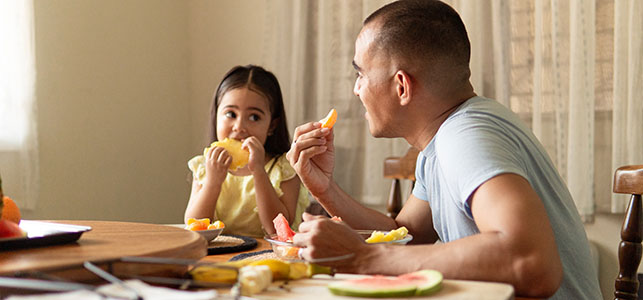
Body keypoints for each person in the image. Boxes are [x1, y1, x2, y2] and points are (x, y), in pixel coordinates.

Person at [286, 1, 602, 299]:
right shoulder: (441, 143)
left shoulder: (466, 136)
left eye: (360, 74)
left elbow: (533, 262)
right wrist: (325, 189)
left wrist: (362, 257)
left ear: (401, 87)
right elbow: (404, 233)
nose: (356, 90)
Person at [185, 65, 309, 238]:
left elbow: (278, 231)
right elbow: (195, 227)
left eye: (254, 117)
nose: (239, 127)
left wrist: (258, 171)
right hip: (220, 259)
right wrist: (213, 182)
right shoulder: (205, 165)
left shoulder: (285, 167)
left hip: (270, 257)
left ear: (272, 126)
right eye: (230, 114)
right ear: (216, 116)